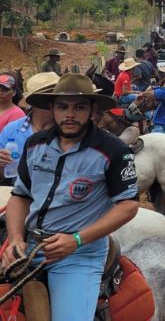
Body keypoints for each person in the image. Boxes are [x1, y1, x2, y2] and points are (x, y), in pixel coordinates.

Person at [2, 73, 138, 320]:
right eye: (63, 107)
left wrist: (76, 239)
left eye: (79, 107)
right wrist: (14, 238)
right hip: (31, 245)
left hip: (78, 255)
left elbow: (128, 205)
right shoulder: (34, 145)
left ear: (92, 109)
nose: (70, 114)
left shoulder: (113, 150)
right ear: (52, 109)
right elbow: (20, 196)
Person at [0, 72, 59, 184]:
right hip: (18, 194)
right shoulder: (12, 130)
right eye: (48, 96)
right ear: (33, 101)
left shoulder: (67, 132)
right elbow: (3, 176)